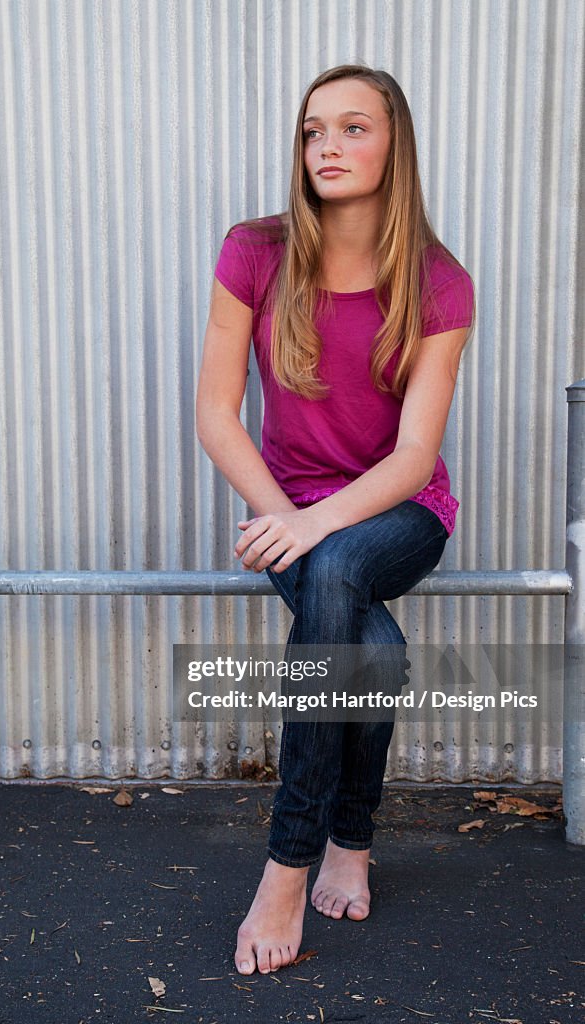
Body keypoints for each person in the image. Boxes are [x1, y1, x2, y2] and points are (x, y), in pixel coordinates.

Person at [196, 64, 475, 977]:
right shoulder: (254, 251)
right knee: (378, 651)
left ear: (394, 145)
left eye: (353, 128)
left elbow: (409, 457)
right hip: (289, 511)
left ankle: (285, 862)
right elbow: (214, 414)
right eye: (313, 130)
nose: (327, 147)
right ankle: (345, 839)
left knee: (336, 568)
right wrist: (286, 517)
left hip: (398, 510)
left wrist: (318, 528)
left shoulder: (438, 281)